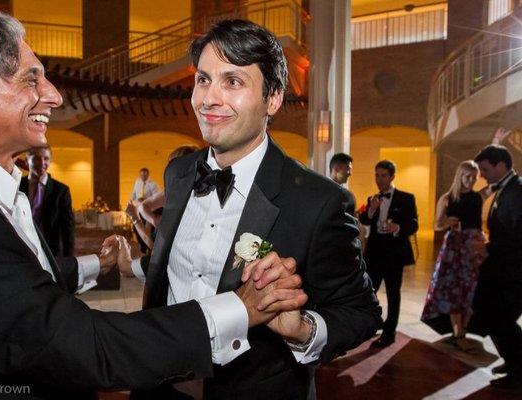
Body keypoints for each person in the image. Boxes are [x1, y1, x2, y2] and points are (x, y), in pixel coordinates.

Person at [0, 12, 308, 399]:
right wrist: (239, 309)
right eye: (31, 79)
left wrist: (98, 265)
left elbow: (19, 288)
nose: (55, 95)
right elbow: (78, 344)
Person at [119, 19, 381, 400]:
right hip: (157, 385)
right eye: (203, 79)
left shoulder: (318, 201)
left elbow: (361, 313)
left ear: (272, 99)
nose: (209, 98)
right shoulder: (179, 173)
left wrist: (302, 328)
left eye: (233, 81)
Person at [421, 161, 487, 350]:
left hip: (473, 246)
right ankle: (458, 332)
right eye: (468, 176)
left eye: (474, 177)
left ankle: (463, 330)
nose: (471, 180)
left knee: (471, 288)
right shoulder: (448, 198)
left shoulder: (477, 197)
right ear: (459, 176)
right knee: (453, 289)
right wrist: (446, 222)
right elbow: (436, 225)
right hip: (454, 247)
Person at [472, 145, 522, 390]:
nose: (481, 175)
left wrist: (488, 248)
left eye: (484, 169)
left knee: (499, 318)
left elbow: (518, 234)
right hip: (502, 265)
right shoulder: (507, 189)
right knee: (493, 315)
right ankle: (514, 361)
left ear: (501, 165)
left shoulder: (518, 191)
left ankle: (518, 369)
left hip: (513, 269)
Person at [359, 160, 418, 348]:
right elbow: (364, 220)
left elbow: (414, 224)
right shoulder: (373, 198)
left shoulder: (407, 198)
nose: (379, 179)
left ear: (392, 176)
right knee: (369, 292)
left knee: (394, 294)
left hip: (394, 254)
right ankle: (371, 324)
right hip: (375, 253)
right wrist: (372, 209)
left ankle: (389, 332)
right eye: (377, 175)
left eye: (383, 175)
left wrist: (397, 227)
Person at [19, 146, 75, 257]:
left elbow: (67, 229)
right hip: (21, 250)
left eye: (46, 159)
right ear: (27, 160)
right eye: (36, 158)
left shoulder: (61, 190)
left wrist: (68, 260)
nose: (42, 162)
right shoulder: (17, 185)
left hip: (50, 252)